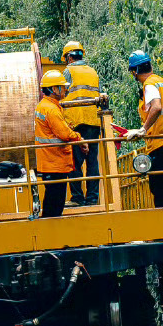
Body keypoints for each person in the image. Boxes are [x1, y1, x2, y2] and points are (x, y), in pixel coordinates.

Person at [127, 50, 163, 208]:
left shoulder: (149, 84)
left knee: (159, 188)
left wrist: (143, 129)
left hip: (161, 143)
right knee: (162, 187)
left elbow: (157, 107)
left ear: (135, 71)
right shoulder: (162, 82)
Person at [59, 41, 107, 206]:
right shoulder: (93, 72)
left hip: (76, 121)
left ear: (70, 57)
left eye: (66, 58)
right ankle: (93, 198)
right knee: (92, 160)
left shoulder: (68, 71)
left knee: (74, 161)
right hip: (93, 121)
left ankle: (77, 198)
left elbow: (62, 95)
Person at [34, 68, 83, 218]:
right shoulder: (51, 109)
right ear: (53, 89)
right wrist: (79, 138)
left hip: (51, 162)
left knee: (52, 200)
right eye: (62, 87)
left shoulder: (47, 106)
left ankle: (49, 233)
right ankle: (50, 235)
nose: (65, 89)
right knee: (55, 203)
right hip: (54, 162)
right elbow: (64, 133)